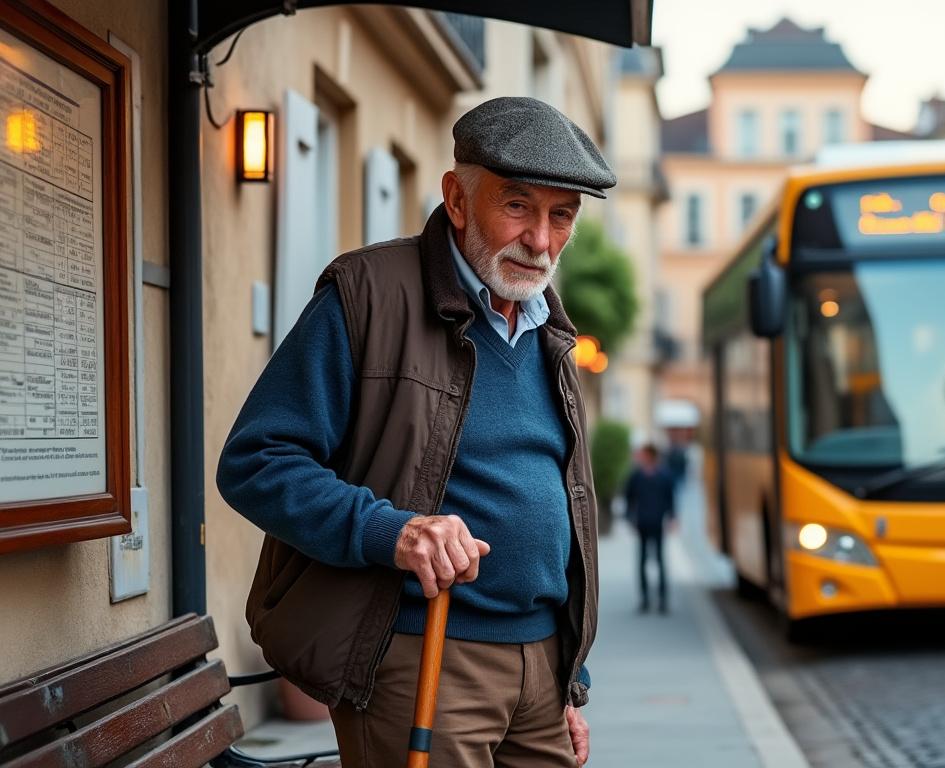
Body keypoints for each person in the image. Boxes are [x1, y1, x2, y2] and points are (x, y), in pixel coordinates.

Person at [217, 96, 614, 768]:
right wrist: (392, 530)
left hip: (541, 667)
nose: (541, 241)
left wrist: (567, 679)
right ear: (457, 200)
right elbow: (257, 461)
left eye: (561, 216)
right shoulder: (368, 292)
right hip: (421, 653)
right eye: (517, 206)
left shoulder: (549, 327)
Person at [623, 444, 677, 613]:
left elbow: (670, 499)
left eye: (643, 455)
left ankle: (662, 599)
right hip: (642, 524)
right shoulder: (636, 476)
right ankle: (645, 599)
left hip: (658, 523)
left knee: (660, 561)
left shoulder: (664, 476)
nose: (640, 457)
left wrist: (673, 518)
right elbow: (629, 498)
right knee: (642, 561)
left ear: (651, 456)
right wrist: (630, 519)